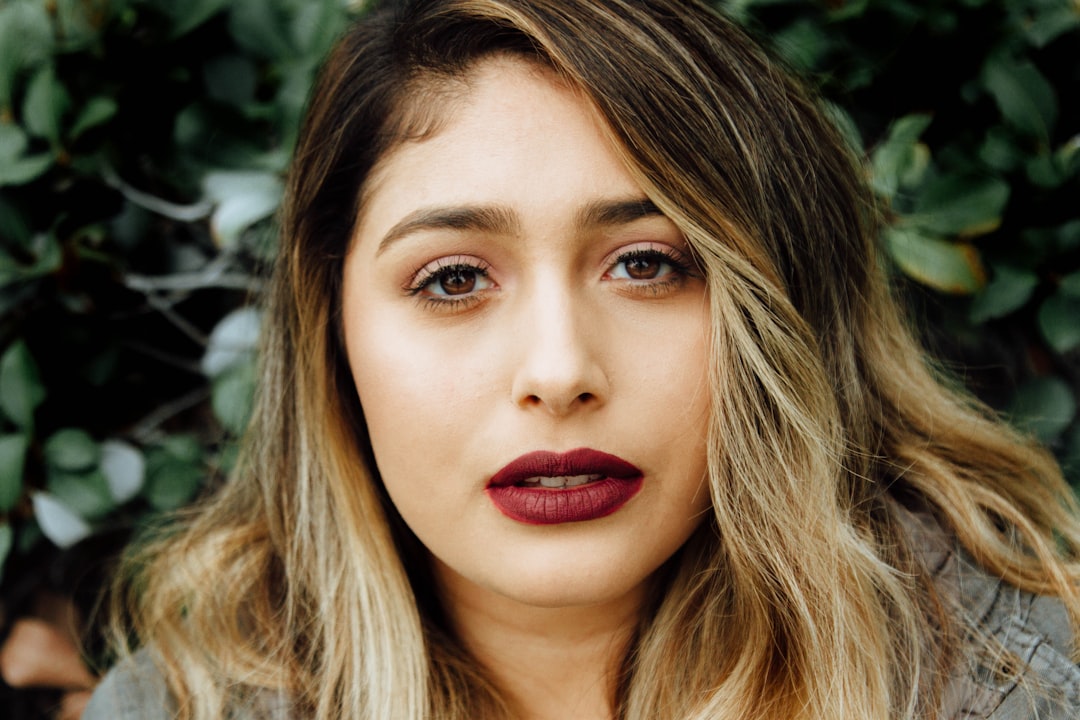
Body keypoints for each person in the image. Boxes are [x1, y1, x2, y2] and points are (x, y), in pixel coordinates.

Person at [83, 0, 1080, 718]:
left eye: (648, 264)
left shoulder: (1021, 685)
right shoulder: (178, 705)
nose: (559, 373)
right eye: (453, 280)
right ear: (331, 336)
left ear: (784, 311)